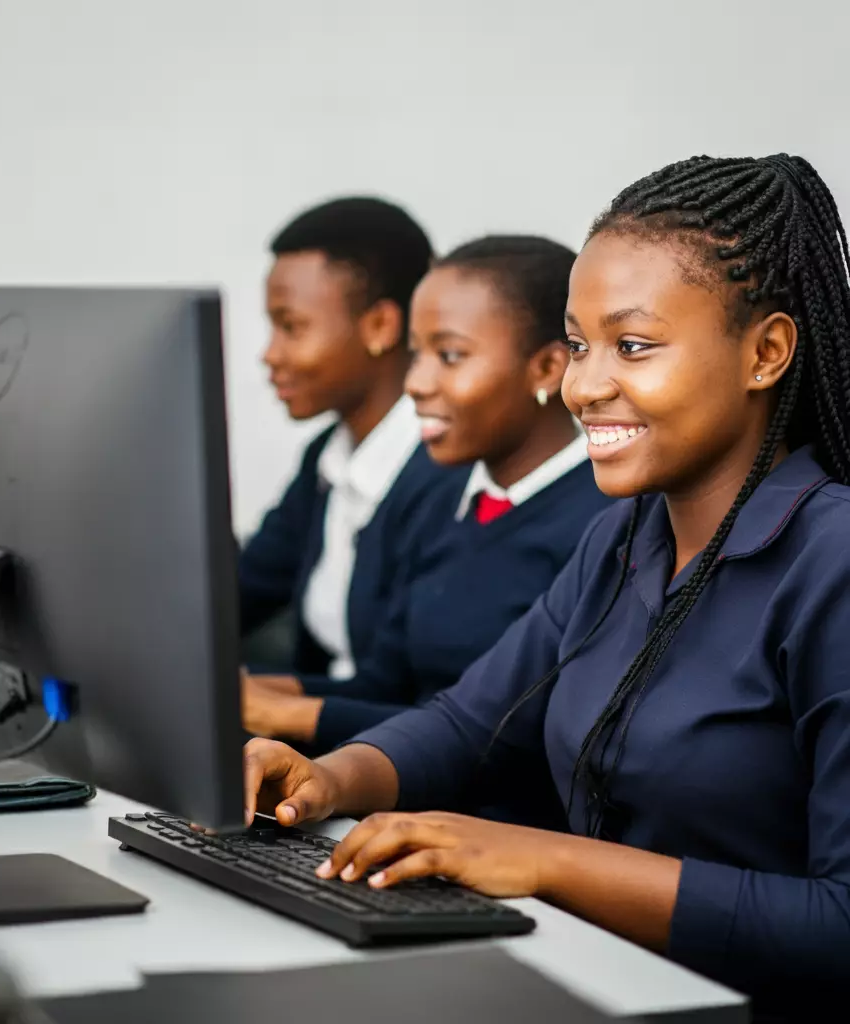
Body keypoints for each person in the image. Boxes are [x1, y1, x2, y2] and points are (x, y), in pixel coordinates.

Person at [237, 155, 850, 1018]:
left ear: (767, 353)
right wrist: (327, 779)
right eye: (579, 344)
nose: (584, 385)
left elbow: (839, 923)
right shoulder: (624, 540)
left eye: (632, 346)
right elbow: (467, 722)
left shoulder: (832, 560)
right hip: (594, 986)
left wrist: (544, 860)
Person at [243, 237, 613, 777]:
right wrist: (251, 691)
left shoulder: (601, 523)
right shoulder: (446, 499)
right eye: (417, 355)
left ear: (547, 368)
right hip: (397, 788)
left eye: (450, 355)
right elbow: (382, 683)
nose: (415, 383)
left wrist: (290, 713)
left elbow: (502, 734)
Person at [239, 196, 444, 681]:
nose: (270, 354)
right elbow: (242, 590)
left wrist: (274, 705)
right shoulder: (327, 458)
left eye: (291, 327)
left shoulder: (445, 474)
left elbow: (415, 692)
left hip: (381, 747)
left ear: (380, 326)